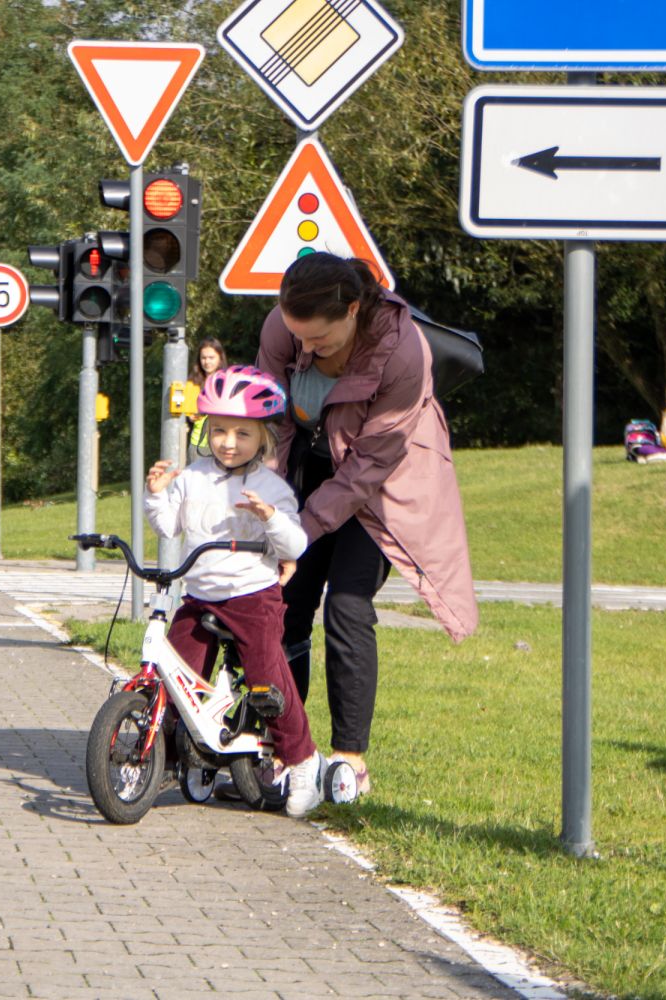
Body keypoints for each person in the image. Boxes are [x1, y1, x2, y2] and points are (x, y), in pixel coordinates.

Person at [255, 253, 478, 798]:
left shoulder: (403, 354)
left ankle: (349, 758)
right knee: (284, 602)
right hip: (306, 467)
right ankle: (283, 745)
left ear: (353, 310)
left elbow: (367, 467)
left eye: (319, 339)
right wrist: (273, 507)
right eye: (298, 337)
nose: (306, 350)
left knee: (347, 606)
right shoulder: (282, 328)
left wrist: (302, 531)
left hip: (380, 487)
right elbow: (271, 419)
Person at [143, 365, 322, 818]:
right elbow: (168, 526)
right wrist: (157, 495)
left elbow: (295, 546)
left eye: (242, 433)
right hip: (200, 595)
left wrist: (270, 519)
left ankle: (302, 761)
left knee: (266, 681)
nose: (228, 442)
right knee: (175, 676)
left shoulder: (271, 488)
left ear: (262, 438)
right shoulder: (193, 477)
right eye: (219, 430)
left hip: (252, 596)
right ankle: (166, 759)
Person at [185, 338, 228, 462]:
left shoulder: (227, 381)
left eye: (211, 357)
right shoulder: (192, 383)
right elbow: (189, 413)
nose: (207, 362)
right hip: (199, 445)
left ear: (220, 358)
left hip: (222, 444)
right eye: (203, 358)